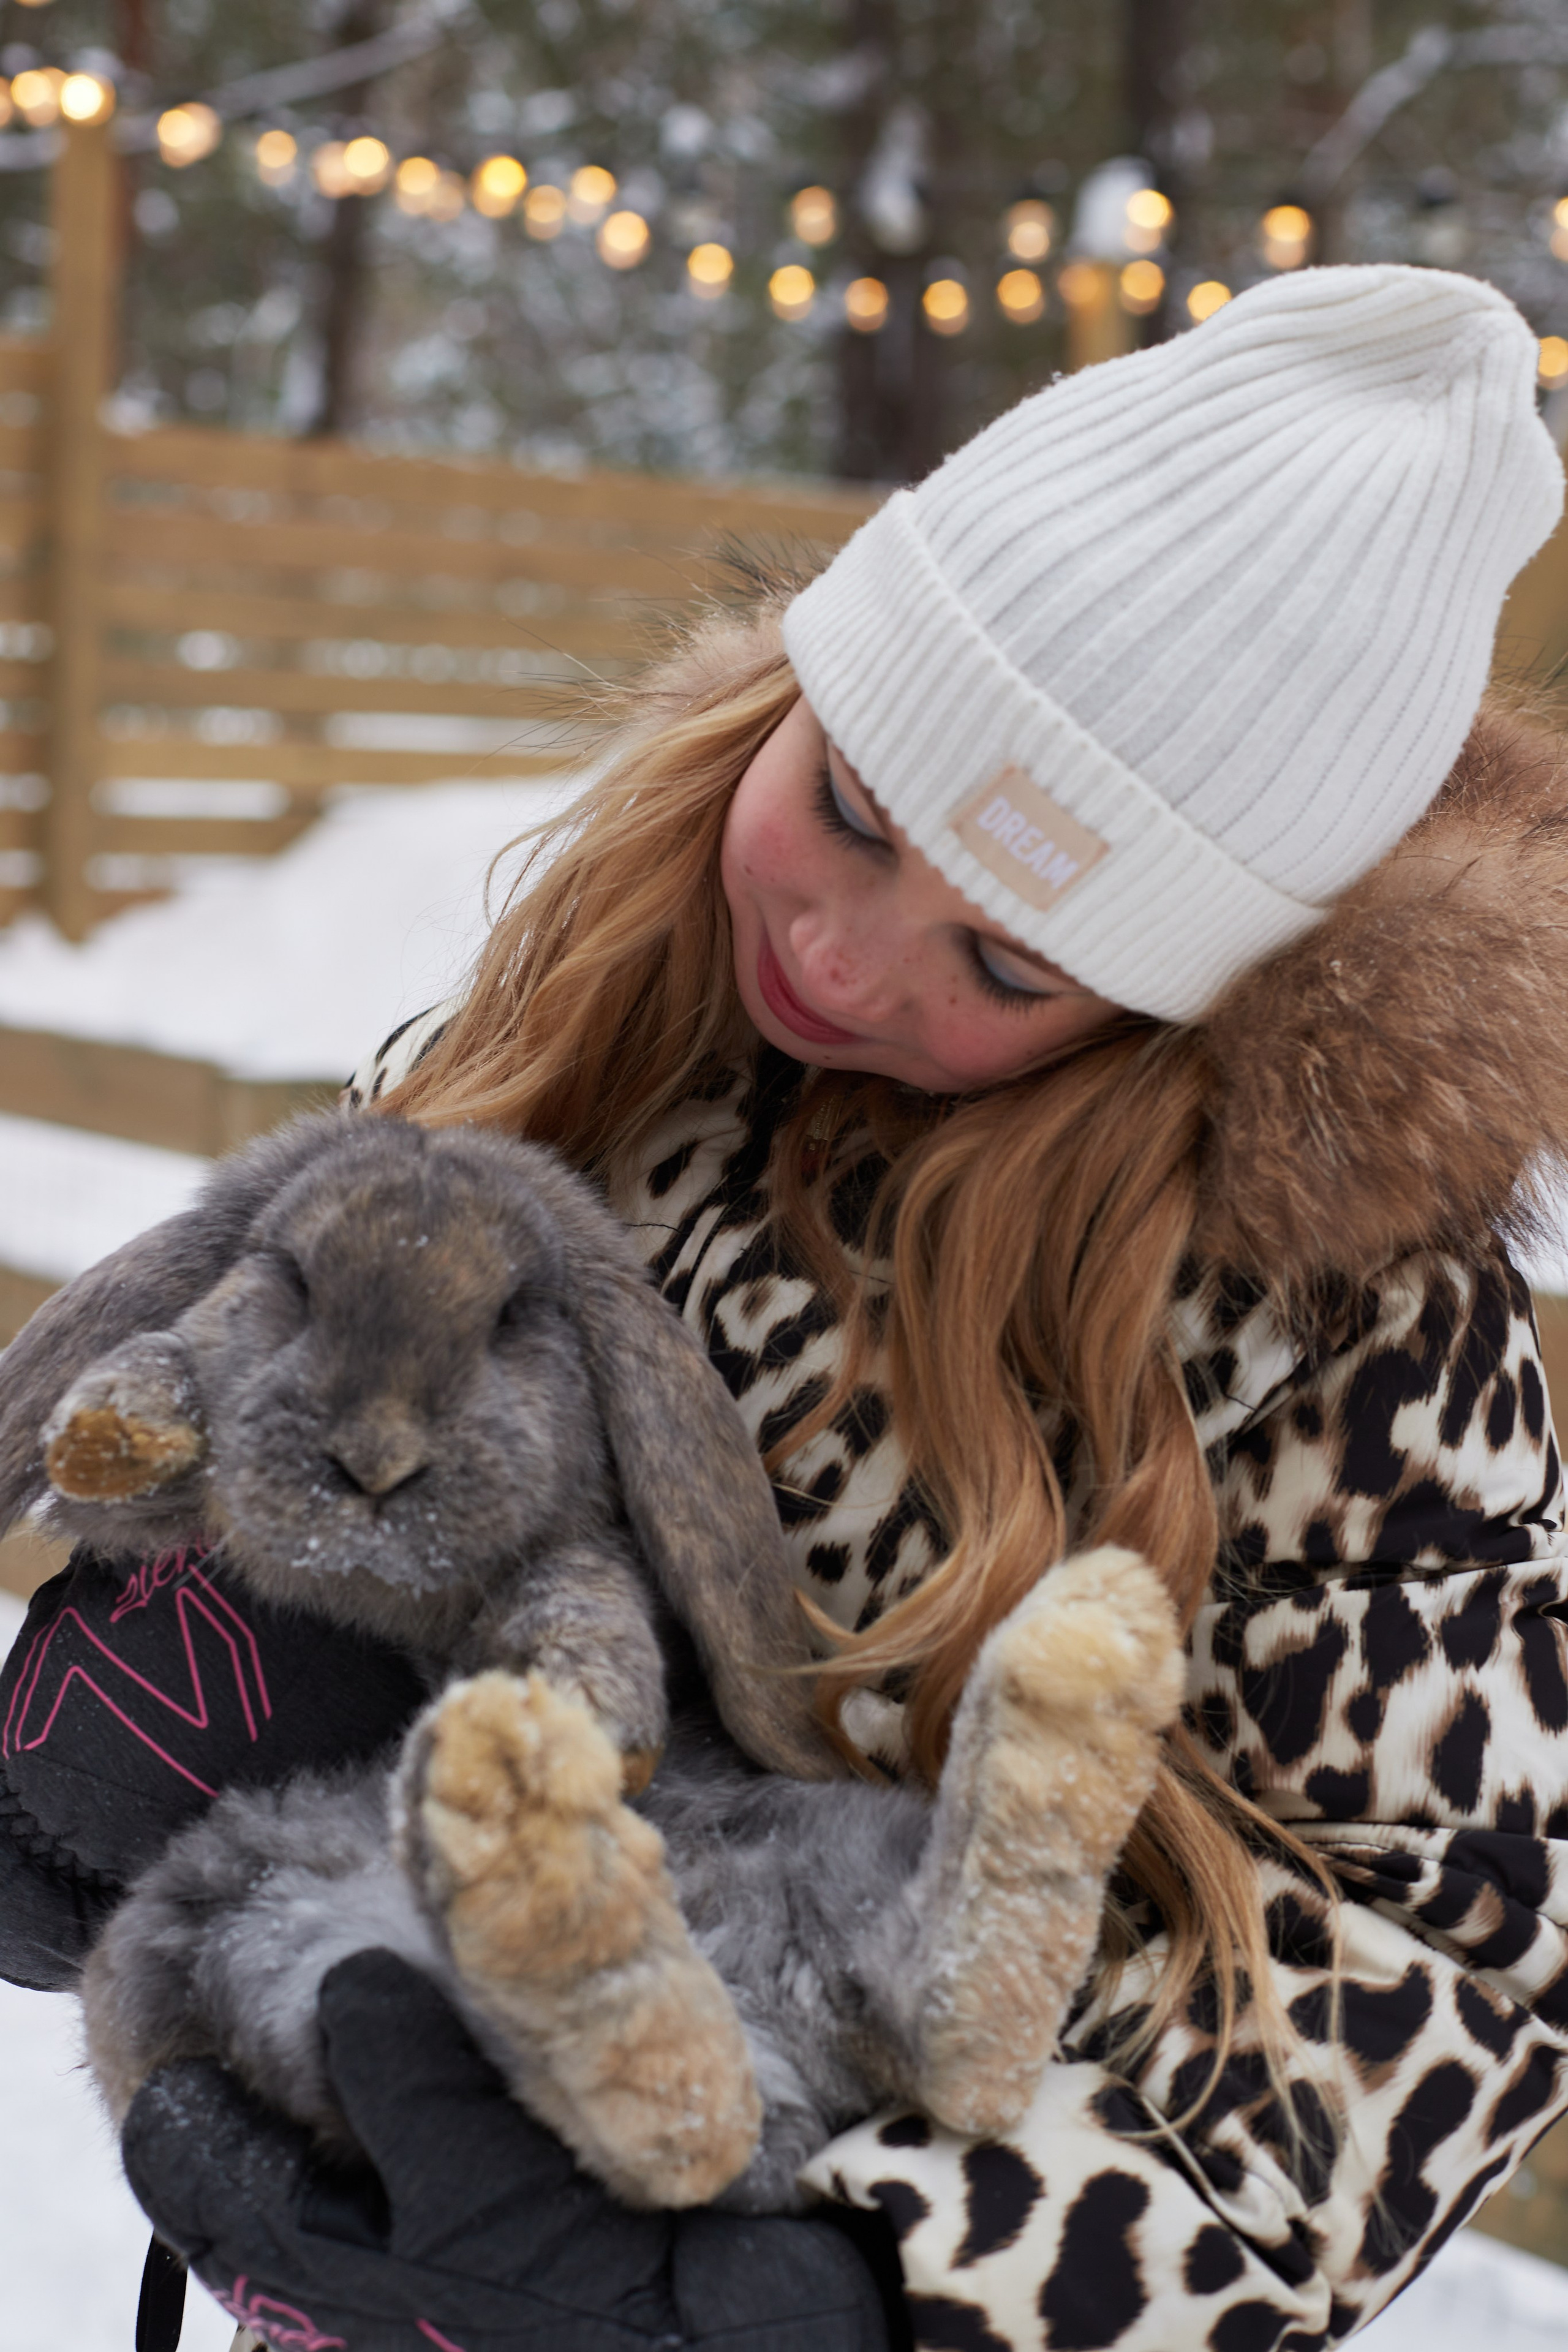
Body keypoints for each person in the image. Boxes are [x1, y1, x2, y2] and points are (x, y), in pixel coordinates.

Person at [7, 261, 1568, 2352]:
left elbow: (1432, 1967)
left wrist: (846, 2292)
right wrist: (189, 1670)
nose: (845, 953)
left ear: (1183, 997)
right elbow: (325, 1319)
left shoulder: (1345, 1330)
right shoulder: (617, 994)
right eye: (848, 801)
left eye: (1008, 964)